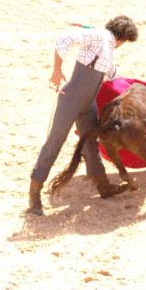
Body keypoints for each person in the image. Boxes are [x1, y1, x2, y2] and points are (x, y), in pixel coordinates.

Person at [27, 15, 138, 216]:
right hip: (70, 100)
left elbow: (112, 74)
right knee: (55, 143)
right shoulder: (99, 36)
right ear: (122, 38)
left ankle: (103, 187)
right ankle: (34, 197)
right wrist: (56, 70)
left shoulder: (106, 44)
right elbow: (64, 40)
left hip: (87, 103)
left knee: (91, 143)